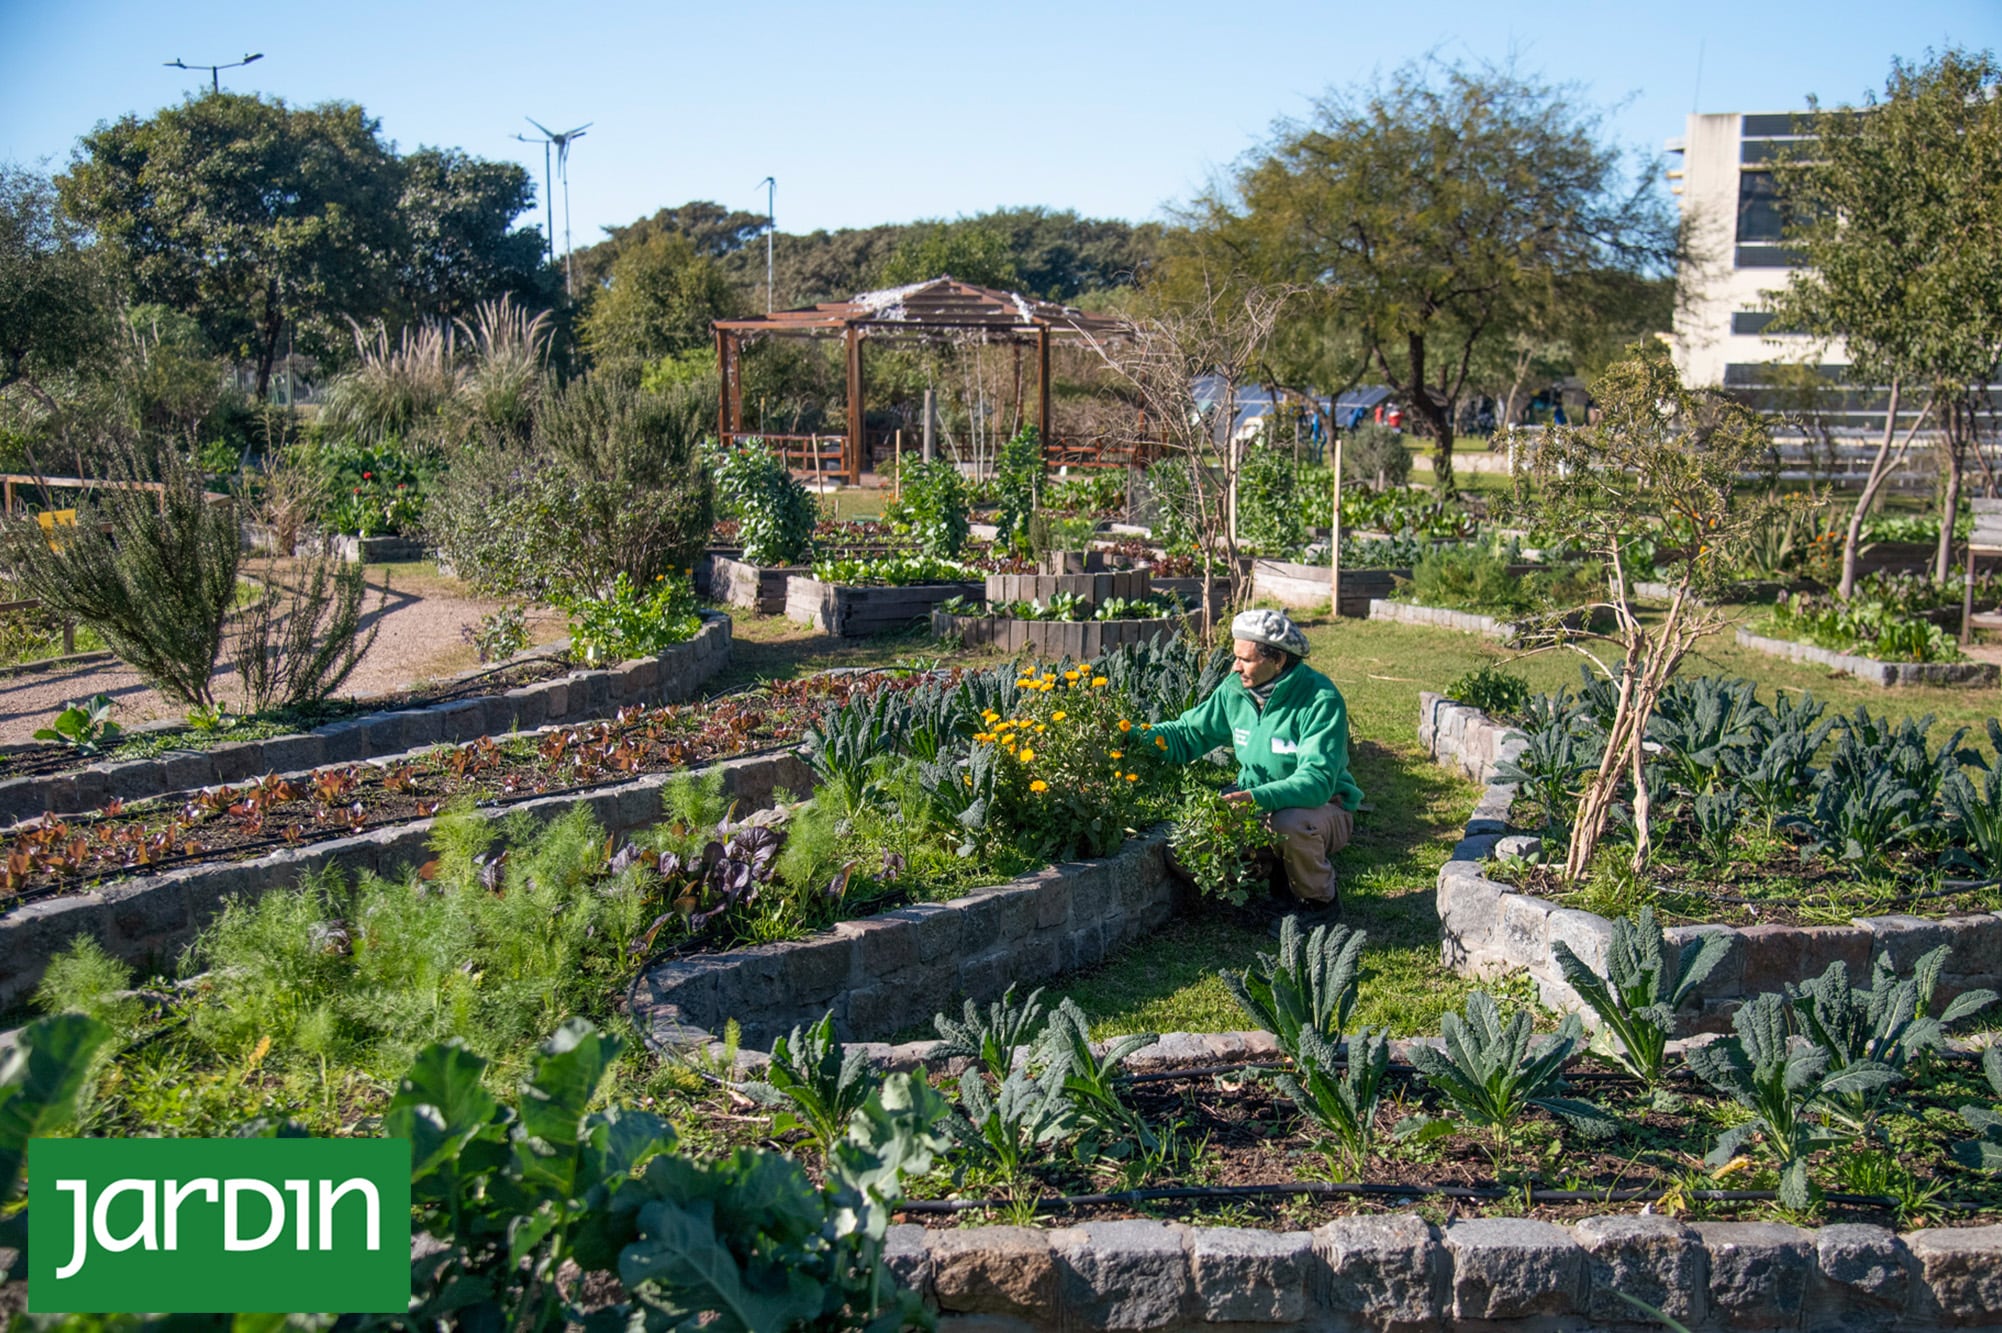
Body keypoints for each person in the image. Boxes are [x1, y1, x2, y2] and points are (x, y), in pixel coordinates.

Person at [1148, 610, 1363, 926]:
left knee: (1289, 824)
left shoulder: (1319, 699)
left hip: (1321, 809)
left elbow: (1316, 782)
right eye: (1235, 657)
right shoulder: (1235, 690)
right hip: (1256, 810)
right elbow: (1188, 734)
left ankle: (1319, 904)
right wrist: (1136, 737)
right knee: (1183, 849)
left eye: (1244, 659)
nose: (1235, 666)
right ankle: (1270, 882)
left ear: (1277, 660)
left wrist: (1253, 798)